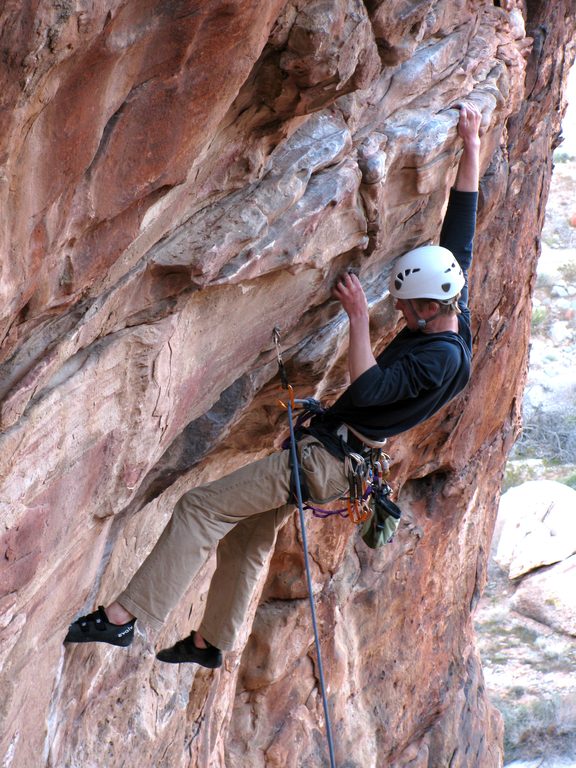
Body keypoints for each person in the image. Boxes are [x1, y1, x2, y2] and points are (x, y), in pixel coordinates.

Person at [64, 103, 482, 668]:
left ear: (431, 307)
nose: (400, 313)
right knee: (247, 537)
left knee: (200, 508)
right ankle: (212, 643)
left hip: (327, 461)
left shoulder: (437, 359)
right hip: (340, 459)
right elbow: (462, 228)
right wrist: (471, 144)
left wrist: (359, 319)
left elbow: (370, 390)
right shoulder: (453, 303)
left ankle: (123, 619)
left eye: (407, 308)